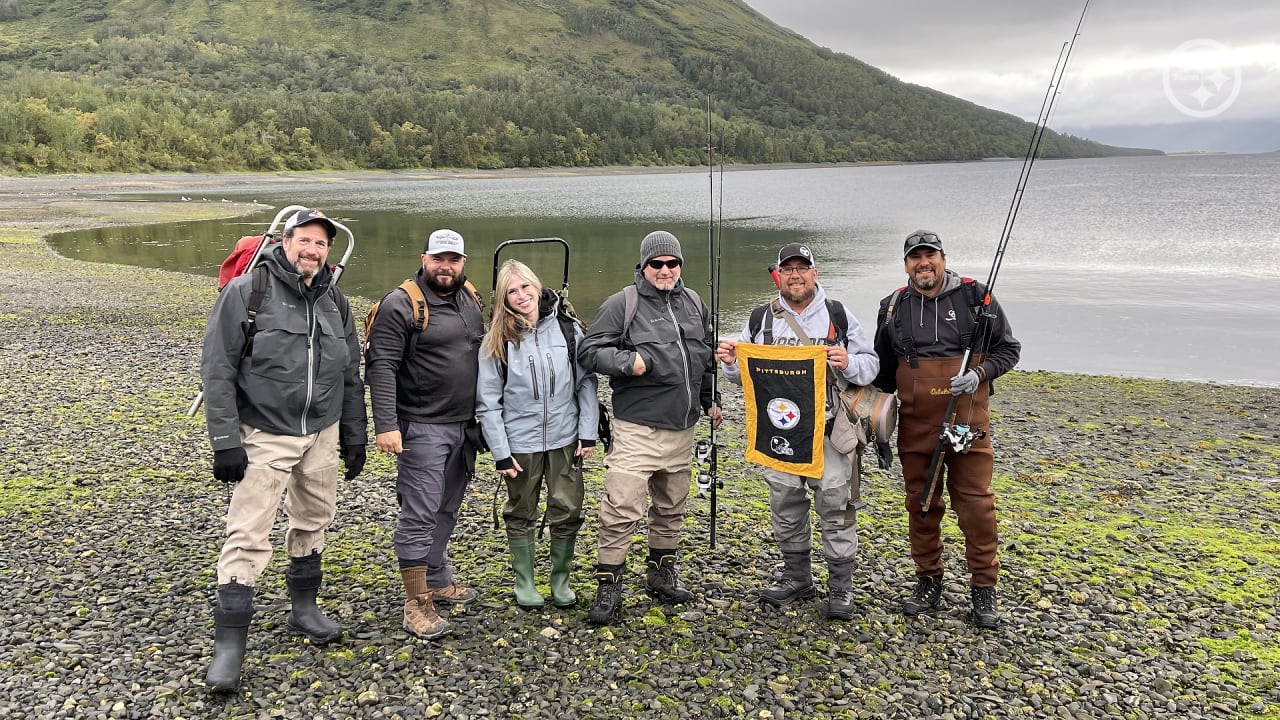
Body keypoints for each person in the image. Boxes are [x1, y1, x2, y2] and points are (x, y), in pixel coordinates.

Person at [200, 207, 368, 692]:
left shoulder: (336, 301)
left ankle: (304, 609)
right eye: (305, 240)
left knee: (315, 517)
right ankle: (229, 644)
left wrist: (354, 434)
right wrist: (226, 442)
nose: (312, 250)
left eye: (321, 244)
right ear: (286, 240)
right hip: (265, 431)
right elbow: (217, 370)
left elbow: (349, 373)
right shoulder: (246, 292)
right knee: (248, 532)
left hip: (322, 430)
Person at [715, 242, 879, 620]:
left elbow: (871, 366)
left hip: (829, 433)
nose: (795, 275)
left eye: (802, 268)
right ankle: (797, 578)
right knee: (786, 507)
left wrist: (849, 361)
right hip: (780, 434)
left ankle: (840, 587)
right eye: (787, 269)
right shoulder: (760, 320)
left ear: (814, 273)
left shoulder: (837, 314)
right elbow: (742, 375)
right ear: (779, 276)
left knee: (836, 508)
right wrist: (728, 361)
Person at [872, 230, 1021, 629]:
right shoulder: (892, 309)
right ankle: (928, 580)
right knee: (921, 505)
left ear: (942, 257)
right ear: (906, 264)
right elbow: (883, 377)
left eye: (930, 255)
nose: (923, 263)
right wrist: (877, 430)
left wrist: (980, 373)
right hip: (916, 428)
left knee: (977, 506)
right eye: (915, 257)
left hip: (969, 424)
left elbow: (1009, 350)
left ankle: (984, 589)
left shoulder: (977, 298)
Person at [577, 230, 722, 626]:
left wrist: (711, 401)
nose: (664, 270)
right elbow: (588, 352)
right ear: (643, 266)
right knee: (621, 509)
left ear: (680, 266)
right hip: (636, 427)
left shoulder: (694, 302)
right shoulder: (621, 304)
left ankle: (660, 574)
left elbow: (705, 357)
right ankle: (609, 585)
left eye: (671, 263)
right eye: (656, 263)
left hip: (683, 426)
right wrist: (627, 362)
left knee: (671, 505)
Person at [365, 228, 485, 640]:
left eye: (453, 259)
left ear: (463, 262)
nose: (445, 267)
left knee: (447, 507)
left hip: (463, 426)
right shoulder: (401, 304)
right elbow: (380, 366)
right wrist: (386, 425)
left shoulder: (469, 297)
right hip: (421, 427)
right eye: (438, 259)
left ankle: (436, 576)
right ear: (424, 258)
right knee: (419, 513)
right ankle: (415, 604)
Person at [476, 260, 600, 610]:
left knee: (568, 508)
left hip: (565, 439)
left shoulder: (569, 329)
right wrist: (500, 452)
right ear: (503, 298)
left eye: (525, 287)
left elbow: (586, 384)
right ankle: (525, 582)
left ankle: (560, 579)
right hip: (520, 443)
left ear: (537, 286)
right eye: (511, 291)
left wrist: (587, 433)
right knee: (520, 510)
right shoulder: (496, 339)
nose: (521, 295)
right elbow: (488, 401)